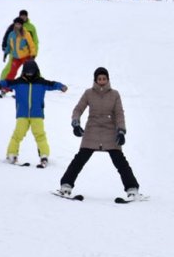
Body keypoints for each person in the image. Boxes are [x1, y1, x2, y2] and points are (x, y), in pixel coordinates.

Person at [58, 67, 143, 199]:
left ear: (108, 79)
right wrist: (76, 123)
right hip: (92, 130)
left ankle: (132, 189)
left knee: (120, 161)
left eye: (104, 79)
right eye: (99, 79)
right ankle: (66, 185)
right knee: (79, 159)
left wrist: (121, 131)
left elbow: (120, 114)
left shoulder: (115, 94)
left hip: (110, 131)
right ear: (95, 80)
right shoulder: (88, 93)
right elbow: (78, 109)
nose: (102, 81)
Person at [0, 61, 67, 166]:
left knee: (40, 135)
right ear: (24, 71)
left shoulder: (41, 82)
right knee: (17, 135)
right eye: (27, 72)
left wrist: (61, 86)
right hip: (22, 114)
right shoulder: (19, 82)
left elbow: (52, 84)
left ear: (35, 71)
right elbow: (7, 82)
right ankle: (11, 154)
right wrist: (0, 84)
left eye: (31, 72)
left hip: (37, 114)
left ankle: (44, 156)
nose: (29, 74)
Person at [0, 17, 37, 96]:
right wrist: (6, 53)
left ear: (22, 25)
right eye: (16, 24)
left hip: (25, 57)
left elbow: (31, 45)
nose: (17, 26)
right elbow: (9, 45)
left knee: (25, 74)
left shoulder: (26, 34)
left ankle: (23, 90)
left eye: (19, 24)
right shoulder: (11, 34)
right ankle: (6, 88)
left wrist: (32, 55)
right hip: (16, 57)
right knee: (12, 73)